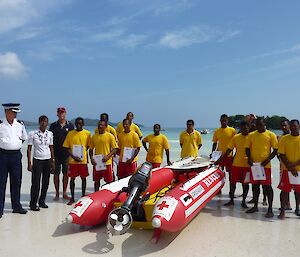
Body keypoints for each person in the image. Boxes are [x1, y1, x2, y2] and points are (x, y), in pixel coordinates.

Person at [245, 118, 278, 218]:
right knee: (255, 187)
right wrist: (249, 159)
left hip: (265, 166)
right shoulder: (251, 135)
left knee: (268, 187)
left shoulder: (271, 135)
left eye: (261, 125)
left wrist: (268, 159)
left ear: (265, 124)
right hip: (254, 166)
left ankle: (270, 208)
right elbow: (247, 148)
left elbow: (275, 150)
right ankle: (255, 206)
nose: (259, 126)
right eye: (257, 125)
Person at [0, 103, 28, 218]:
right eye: (13, 112)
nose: (15, 114)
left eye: (16, 112)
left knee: (16, 181)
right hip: (2, 156)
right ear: (7, 112)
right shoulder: (0, 124)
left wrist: (14, 146)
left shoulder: (20, 124)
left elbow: (23, 138)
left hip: (16, 156)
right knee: (1, 182)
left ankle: (16, 206)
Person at [216, 121, 250, 207]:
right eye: (243, 128)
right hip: (236, 164)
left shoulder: (252, 137)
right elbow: (228, 150)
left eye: (246, 128)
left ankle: (243, 201)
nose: (244, 130)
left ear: (248, 128)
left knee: (245, 184)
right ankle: (231, 200)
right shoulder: (236, 137)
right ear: (240, 129)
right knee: (232, 183)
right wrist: (219, 160)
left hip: (247, 165)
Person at [27, 115, 54, 211]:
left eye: (45, 121)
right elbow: (29, 149)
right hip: (37, 160)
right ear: (39, 122)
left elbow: (51, 148)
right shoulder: (33, 133)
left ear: (47, 123)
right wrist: (29, 163)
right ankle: (33, 204)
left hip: (47, 160)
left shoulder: (50, 134)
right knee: (35, 183)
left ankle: (42, 201)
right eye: (42, 121)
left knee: (45, 183)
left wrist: (53, 161)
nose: (43, 123)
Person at [63, 117, 91, 205]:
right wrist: (74, 156)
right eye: (77, 123)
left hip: (83, 161)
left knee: (83, 178)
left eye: (80, 123)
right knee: (72, 179)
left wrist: (83, 154)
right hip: (73, 161)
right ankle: (72, 198)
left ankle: (83, 195)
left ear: (83, 124)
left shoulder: (87, 133)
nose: (79, 125)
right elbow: (67, 147)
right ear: (75, 124)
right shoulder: (70, 133)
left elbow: (89, 146)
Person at [49, 107, 74, 201]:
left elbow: (73, 141)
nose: (61, 114)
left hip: (67, 155)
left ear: (65, 114)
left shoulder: (70, 126)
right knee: (56, 174)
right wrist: (51, 156)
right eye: (59, 113)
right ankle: (56, 193)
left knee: (66, 174)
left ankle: (64, 193)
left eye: (63, 113)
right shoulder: (53, 126)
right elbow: (49, 141)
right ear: (57, 114)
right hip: (56, 154)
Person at [278, 119, 300, 219]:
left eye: (294, 126)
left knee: (299, 192)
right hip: (287, 170)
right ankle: (282, 211)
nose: (292, 128)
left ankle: (297, 209)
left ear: (298, 126)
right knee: (284, 191)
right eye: (291, 126)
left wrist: (293, 166)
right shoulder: (284, 138)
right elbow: (281, 154)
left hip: (298, 170)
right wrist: (290, 167)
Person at [89, 120, 118, 191]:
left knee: (109, 182)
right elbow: (90, 149)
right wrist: (91, 159)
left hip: (107, 162)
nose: (100, 126)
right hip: (97, 162)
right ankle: (96, 195)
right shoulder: (94, 136)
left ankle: (108, 196)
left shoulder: (110, 136)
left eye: (102, 125)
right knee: (96, 181)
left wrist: (108, 156)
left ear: (105, 126)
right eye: (99, 125)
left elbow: (115, 149)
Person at [211, 114, 236, 194]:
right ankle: (219, 190)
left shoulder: (232, 130)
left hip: (229, 156)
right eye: (222, 120)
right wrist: (212, 154)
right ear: (220, 121)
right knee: (218, 175)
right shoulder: (217, 131)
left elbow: (236, 143)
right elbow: (215, 143)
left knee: (231, 176)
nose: (223, 122)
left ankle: (231, 192)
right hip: (219, 156)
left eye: (225, 120)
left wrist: (235, 154)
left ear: (227, 121)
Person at [277, 119, 292, 211]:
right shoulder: (279, 138)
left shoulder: (296, 136)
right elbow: (278, 152)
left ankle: (296, 208)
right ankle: (287, 204)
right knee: (285, 188)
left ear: (289, 125)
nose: (283, 127)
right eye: (282, 126)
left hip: (296, 167)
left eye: (285, 125)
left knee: (297, 188)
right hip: (283, 167)